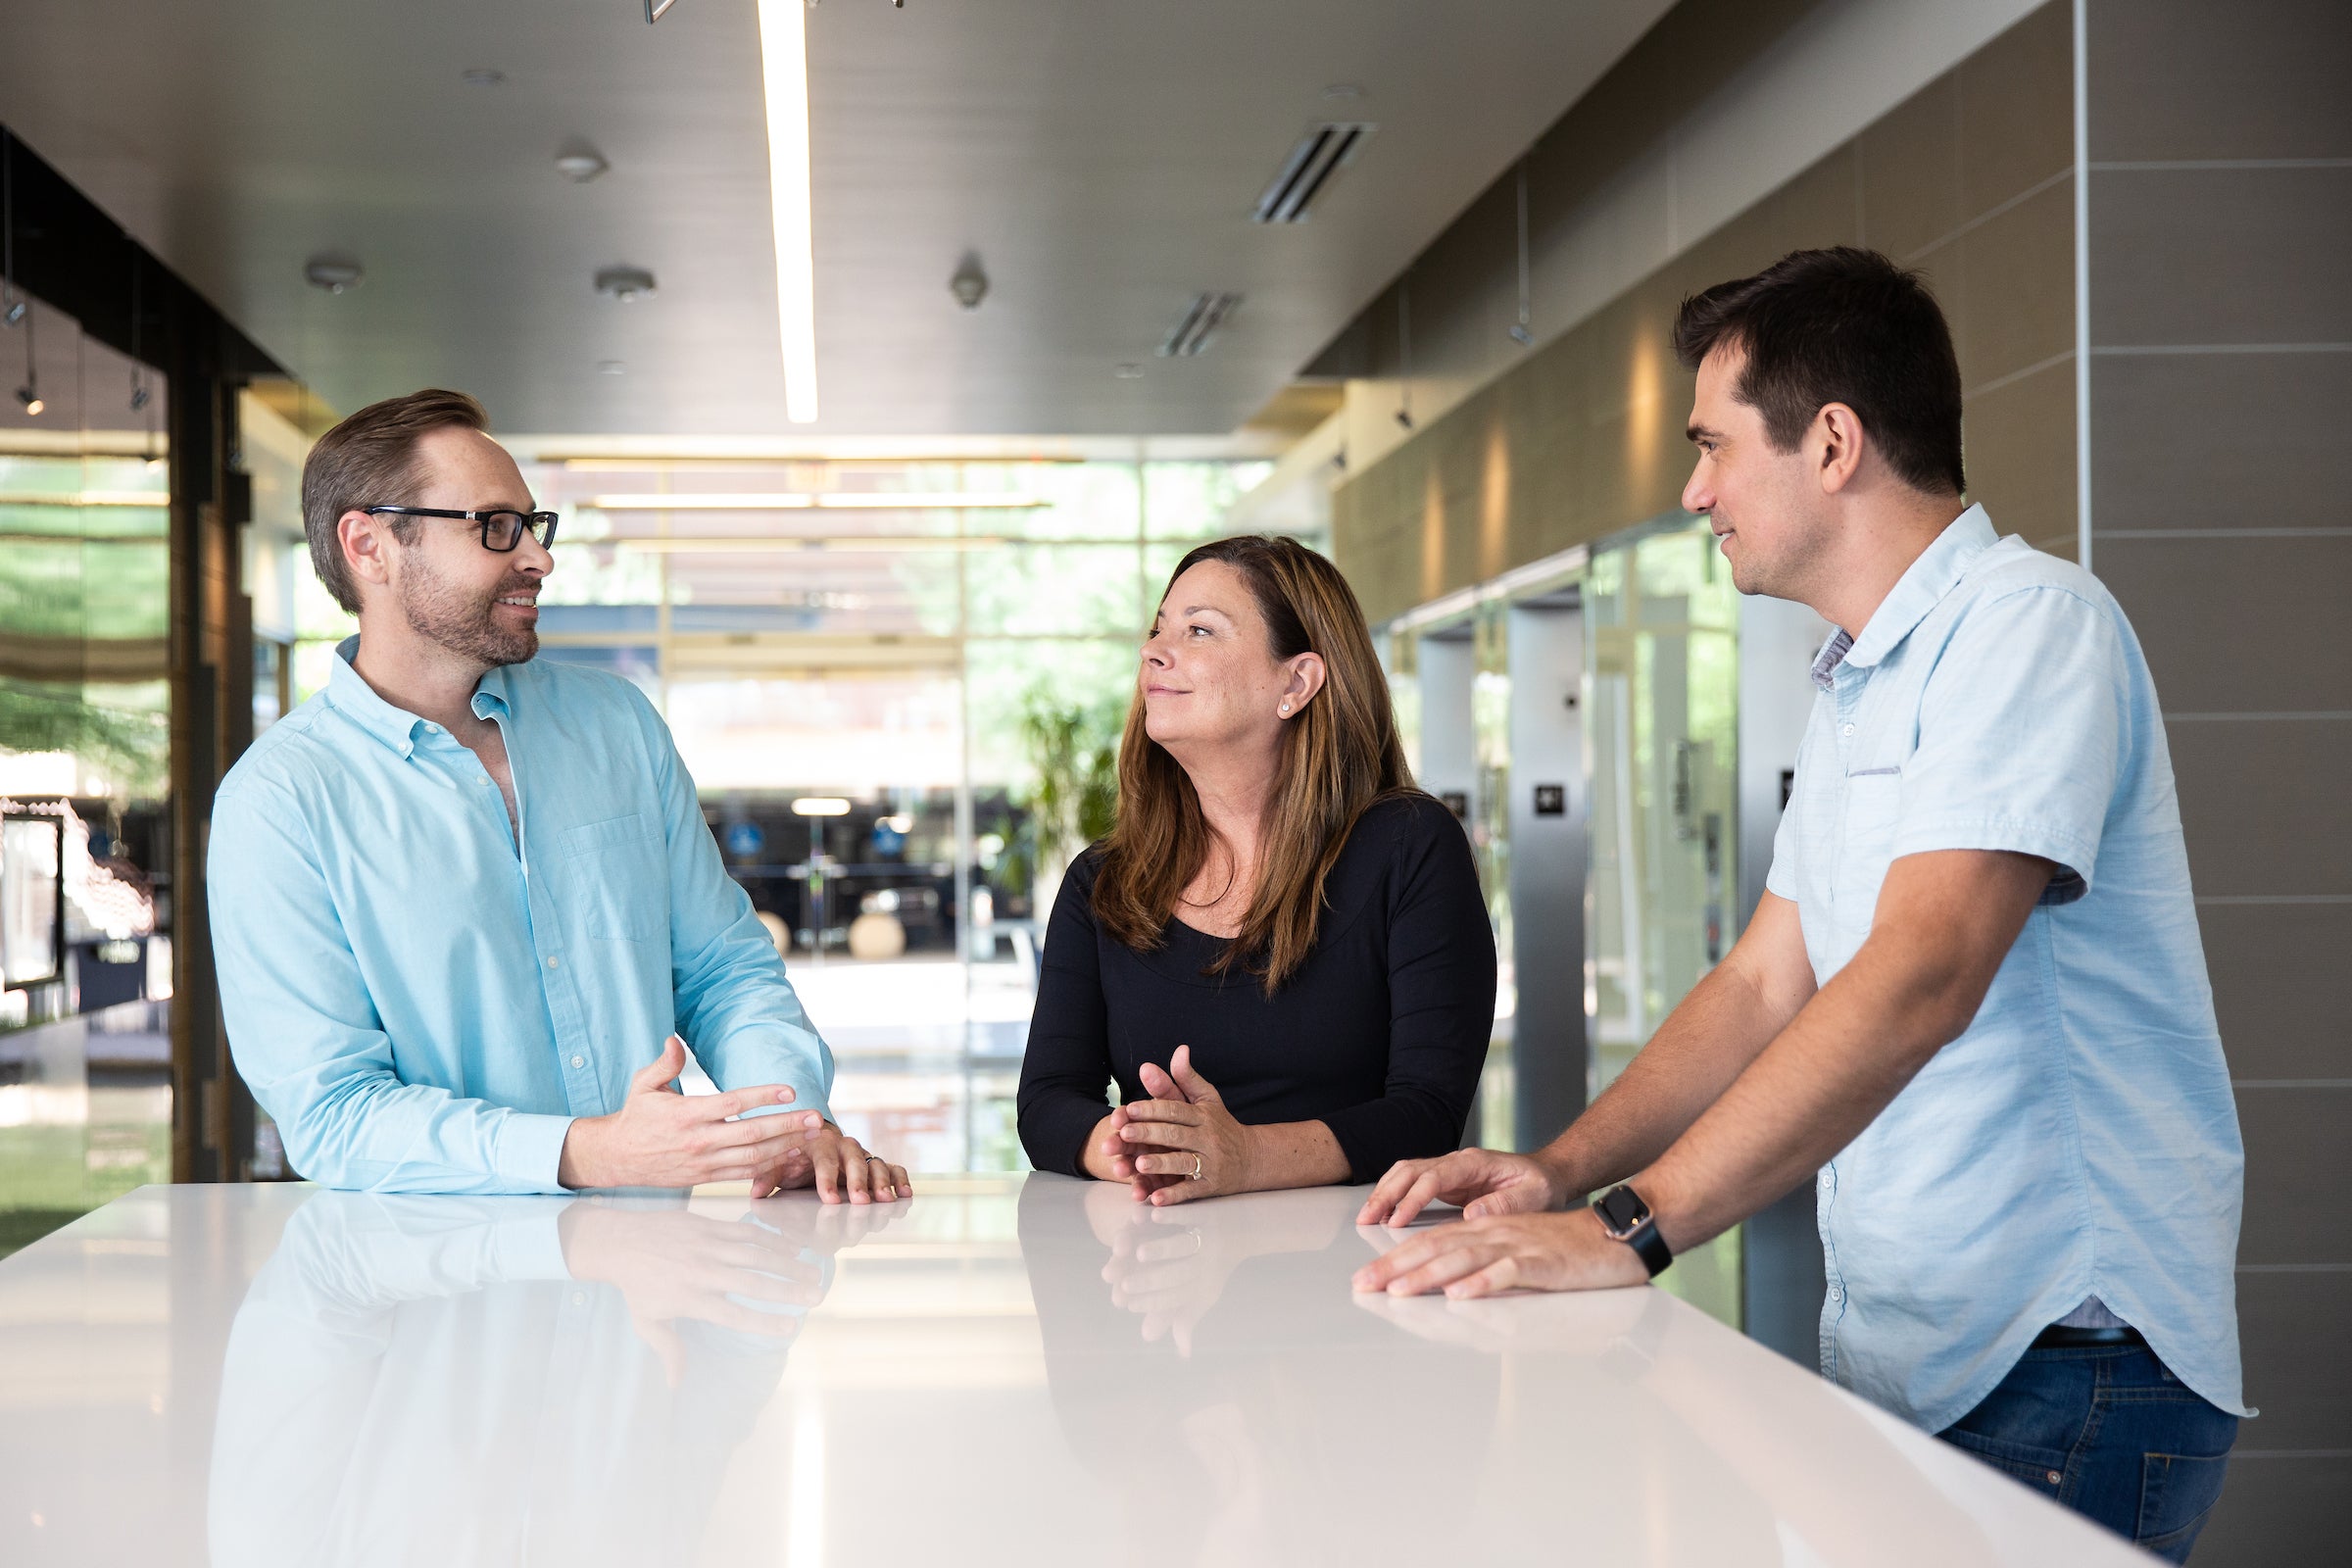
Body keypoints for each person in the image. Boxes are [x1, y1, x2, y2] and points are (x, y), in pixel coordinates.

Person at [1353, 248, 2246, 1561]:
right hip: (1913, 1345)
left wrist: (1630, 1231)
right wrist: (1561, 1167)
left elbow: (1923, 971)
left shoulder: (2030, 627)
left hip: (2061, 1362)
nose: (1692, 488)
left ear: (1832, 443)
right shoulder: (1861, 676)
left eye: (1714, 445)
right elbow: (1768, 980)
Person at [209, 388, 909, 1201]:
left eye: (533, 526)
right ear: (370, 546)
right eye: (494, 526)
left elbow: (722, 969)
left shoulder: (616, 726)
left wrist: (792, 1126)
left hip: (654, 1289)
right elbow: (334, 1114)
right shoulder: (281, 802)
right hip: (435, 1300)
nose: (538, 558)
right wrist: (583, 1153)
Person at [1016, 535, 1495, 1204]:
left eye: (1200, 630)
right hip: (1164, 1268)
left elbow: (1427, 1114)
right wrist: (1132, 1151)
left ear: (1295, 683)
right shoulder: (1103, 882)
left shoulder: (1409, 846)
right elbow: (1047, 1102)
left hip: (1357, 1269)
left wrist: (1243, 1156)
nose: (1155, 650)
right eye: (1158, 629)